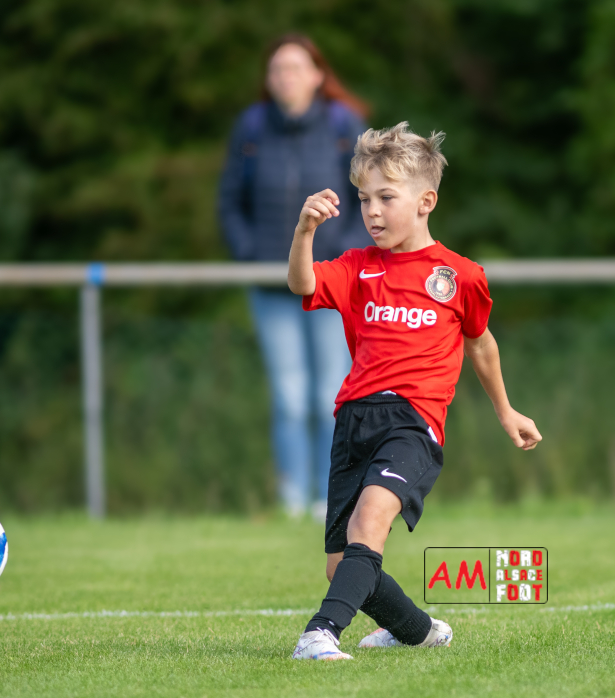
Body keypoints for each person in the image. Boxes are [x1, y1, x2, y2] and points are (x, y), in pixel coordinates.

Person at [285, 123, 543, 660]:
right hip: (353, 420)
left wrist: (506, 410)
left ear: (426, 201)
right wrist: (305, 230)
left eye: (386, 198)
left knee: (370, 522)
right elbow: (303, 284)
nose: (372, 211)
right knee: (342, 564)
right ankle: (420, 631)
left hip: (413, 423)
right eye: (364, 199)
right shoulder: (357, 267)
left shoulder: (460, 276)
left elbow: (481, 344)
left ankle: (320, 632)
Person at [218, 34, 371, 521]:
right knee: (289, 396)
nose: (285, 77)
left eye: (295, 68)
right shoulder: (252, 127)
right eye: (277, 69)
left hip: (330, 283)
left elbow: (368, 199)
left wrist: (343, 259)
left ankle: (330, 496)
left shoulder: (344, 126)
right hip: (271, 284)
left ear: (317, 75)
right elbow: (229, 202)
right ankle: (291, 500)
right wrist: (251, 254)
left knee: (329, 394)